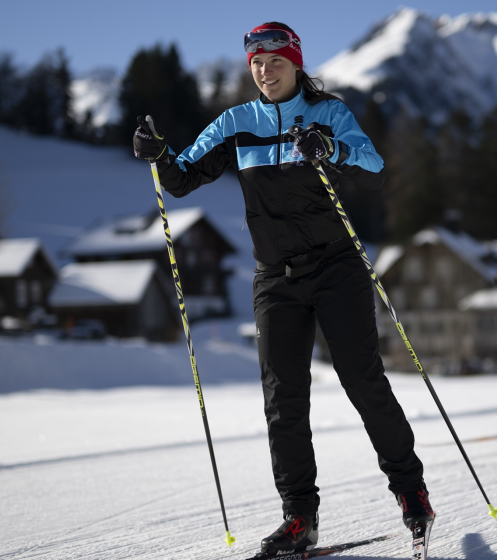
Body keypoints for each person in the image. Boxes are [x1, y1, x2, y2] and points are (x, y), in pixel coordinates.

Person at [131, 22, 434, 556]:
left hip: (337, 267)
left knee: (363, 383)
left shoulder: (328, 112)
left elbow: (375, 168)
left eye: (275, 62)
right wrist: (157, 153)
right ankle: (300, 518)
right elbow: (181, 178)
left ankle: (412, 494)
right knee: (283, 399)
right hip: (275, 278)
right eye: (256, 64)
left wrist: (330, 147)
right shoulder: (235, 123)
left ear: (295, 63)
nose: (264, 71)